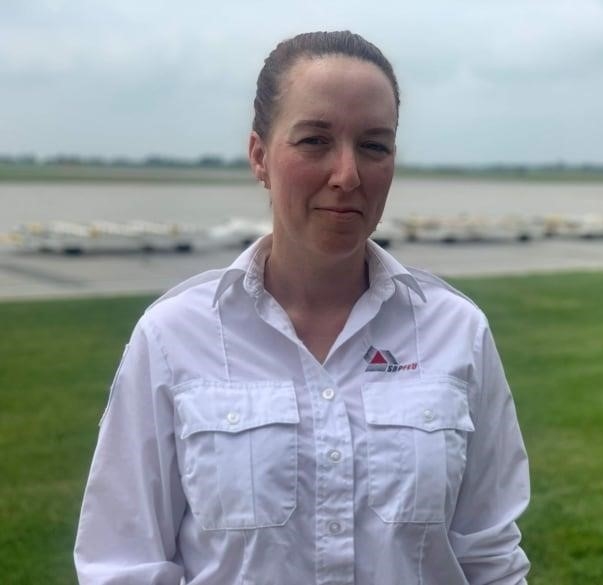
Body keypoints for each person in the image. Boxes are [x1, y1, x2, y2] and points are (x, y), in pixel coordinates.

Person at [74, 30, 531, 584]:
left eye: (374, 145)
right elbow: (123, 562)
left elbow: (490, 558)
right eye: (315, 141)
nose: (347, 175)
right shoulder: (174, 337)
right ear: (260, 156)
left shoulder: (457, 332)